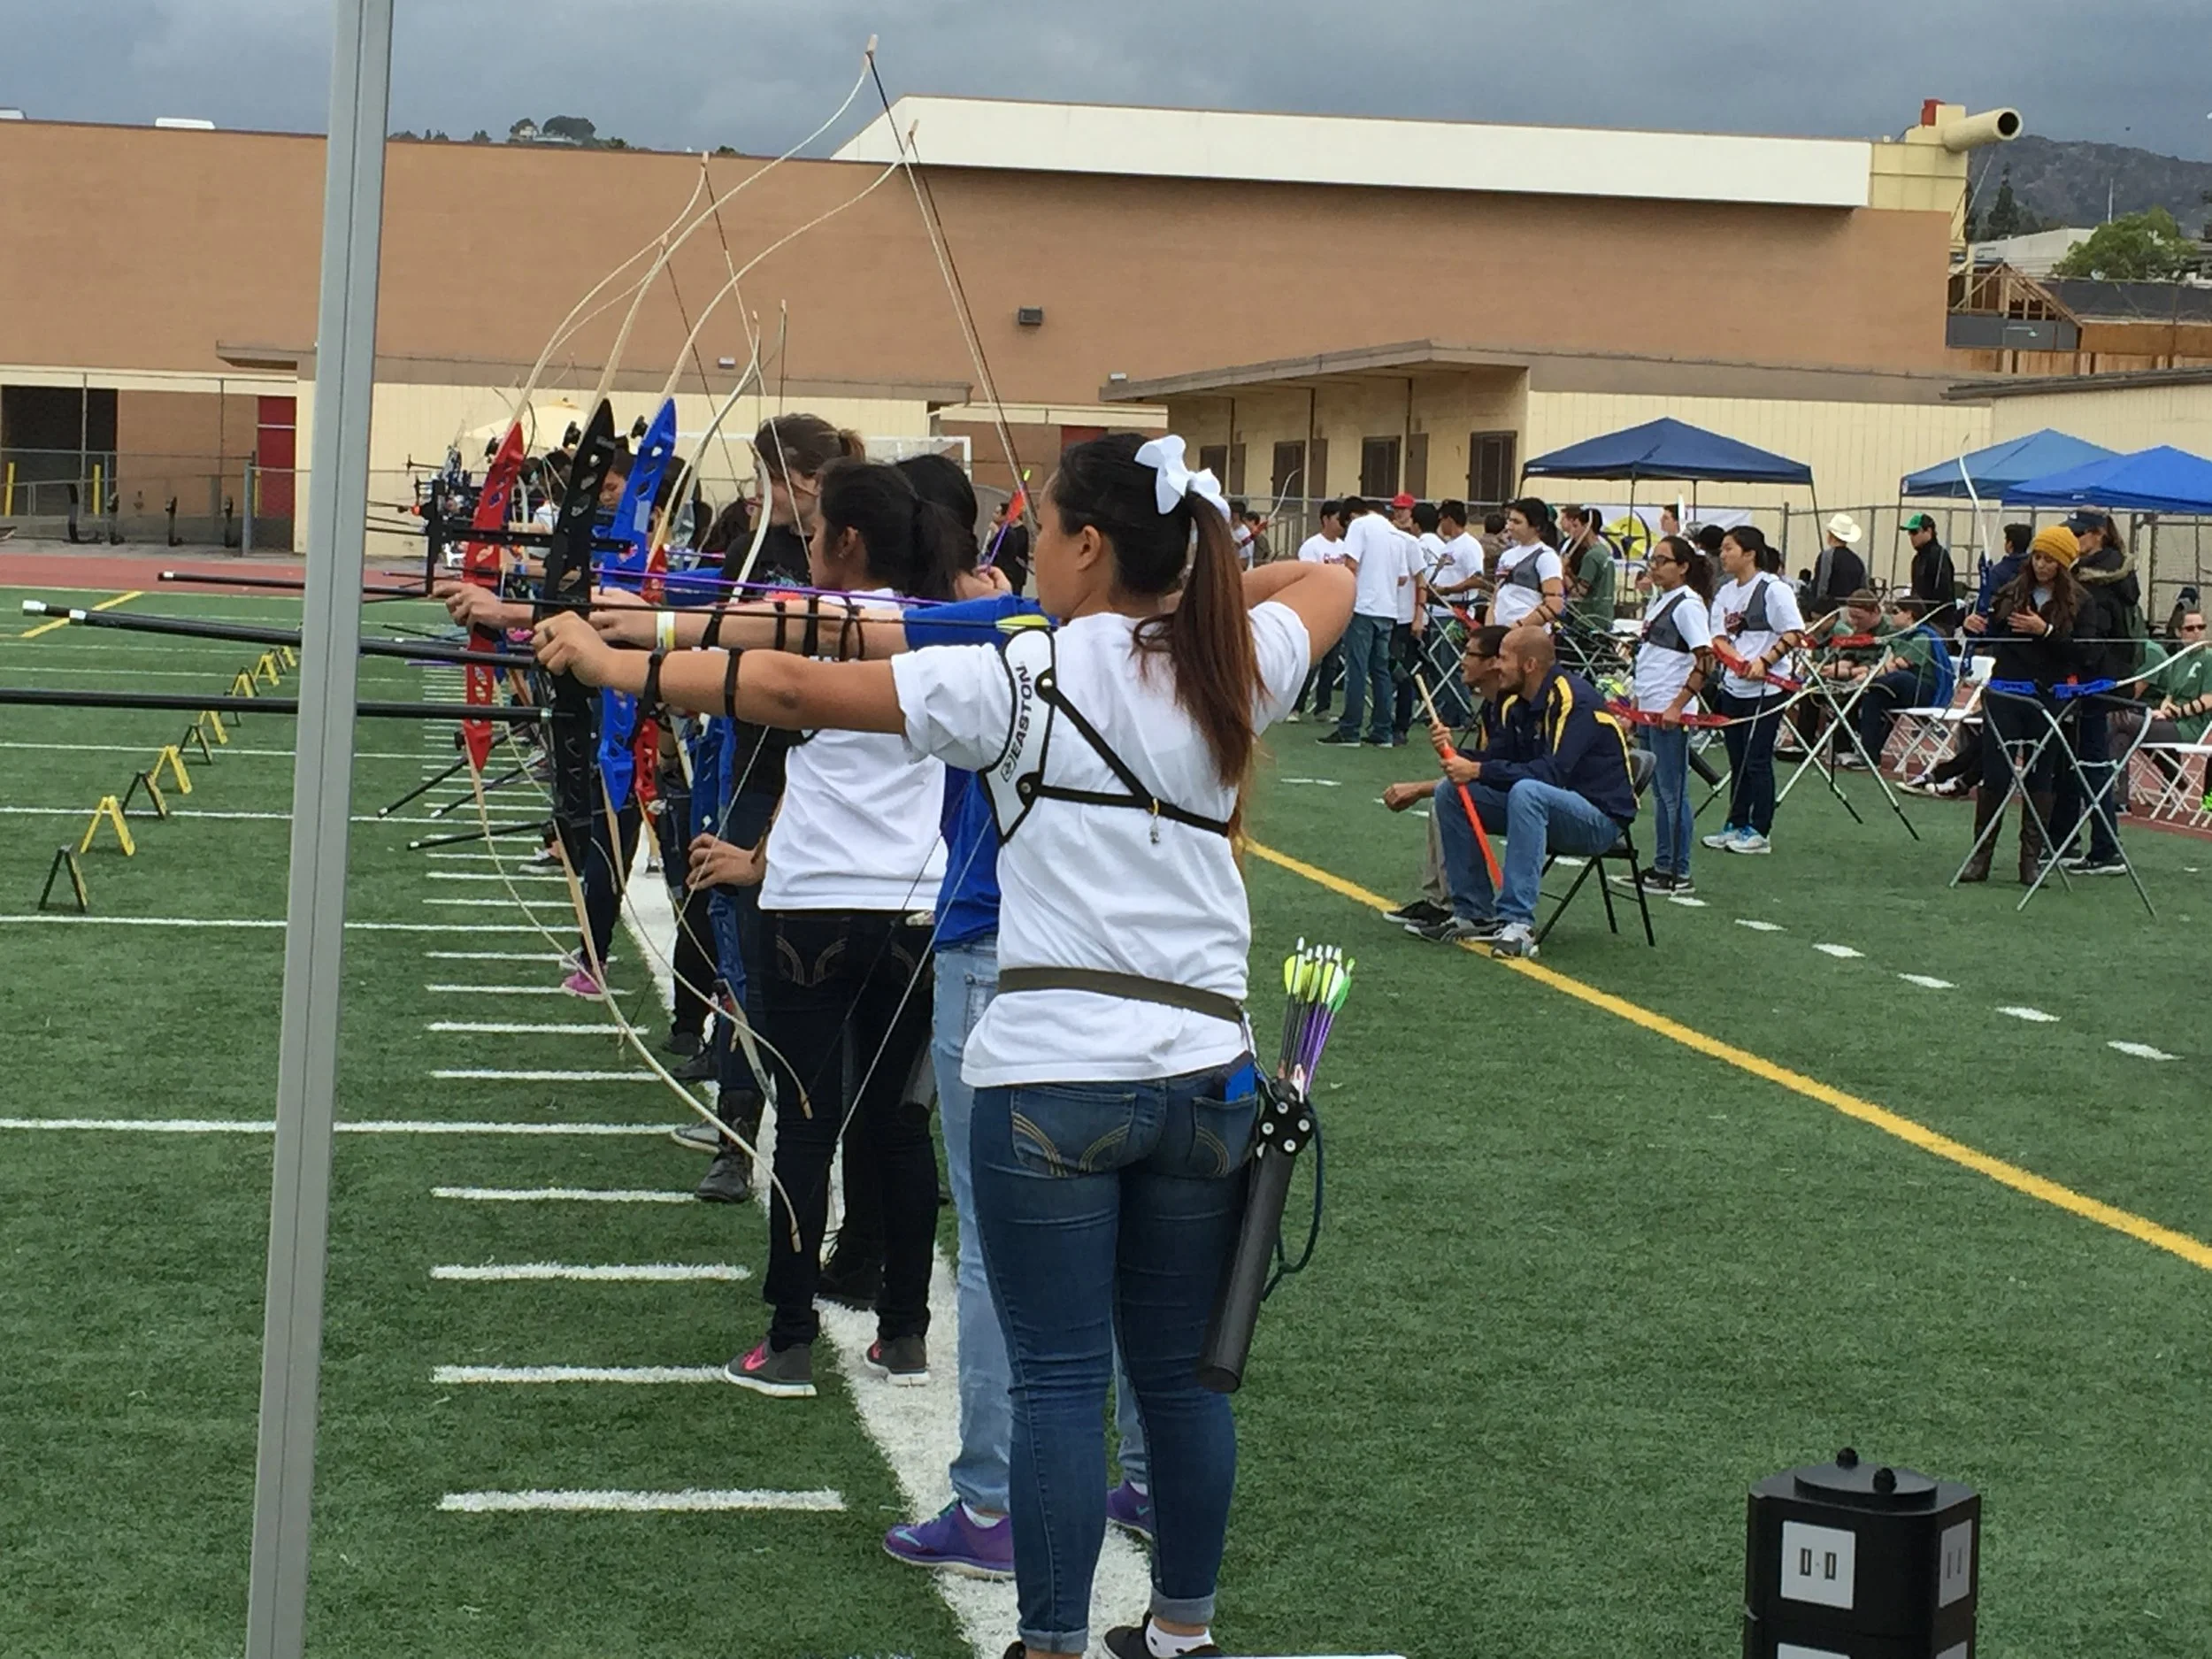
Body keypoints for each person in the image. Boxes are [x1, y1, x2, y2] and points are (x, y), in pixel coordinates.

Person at [535, 431, 1355, 1659]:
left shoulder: (1021, 669)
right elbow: (1328, 581)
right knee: (1180, 1379)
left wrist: (617, 666)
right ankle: (1183, 1632)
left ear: (1085, 545)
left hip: (1050, 1075)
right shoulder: (1230, 665)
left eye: (1043, 538)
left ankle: (1053, 1640)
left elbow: (800, 693)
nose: (1024, 558)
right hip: (1205, 1076)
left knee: (1064, 1382)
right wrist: (1182, 596)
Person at [1417, 626, 1638, 956]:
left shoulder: (1572, 699)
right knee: (1451, 792)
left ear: (1530, 665)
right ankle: (1474, 912)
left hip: (1598, 818)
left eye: (1504, 658)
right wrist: (1456, 755)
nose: (1497, 666)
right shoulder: (1514, 702)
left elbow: (1551, 774)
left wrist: (1477, 770)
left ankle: (1518, 922)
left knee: (1528, 791)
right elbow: (1498, 761)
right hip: (1544, 807)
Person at [1960, 525, 2086, 885]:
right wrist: (1973, 627)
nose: (2042, 565)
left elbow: (2086, 653)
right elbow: (1992, 634)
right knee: (1996, 771)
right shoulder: (2010, 592)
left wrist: (2044, 631)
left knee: (2040, 775)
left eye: (2050, 560)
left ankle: (2030, 861)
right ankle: (1980, 856)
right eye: (2038, 557)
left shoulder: (2080, 602)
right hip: (2005, 691)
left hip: (2048, 695)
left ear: (2064, 565)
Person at [1380, 624, 1510, 927]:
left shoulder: (1512, 707)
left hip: (1533, 799)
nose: (1462, 660)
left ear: (1493, 663)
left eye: (1470, 653)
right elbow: (1489, 763)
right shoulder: (1493, 706)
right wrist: (1450, 751)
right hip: (1513, 788)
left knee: (1448, 797)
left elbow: (1500, 769)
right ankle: (1441, 900)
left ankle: (1467, 905)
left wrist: (1420, 788)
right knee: (1447, 796)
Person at [1619, 534, 1715, 893]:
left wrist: (1677, 704)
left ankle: (1677, 870)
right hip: (1651, 707)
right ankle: (1663, 865)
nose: (1655, 567)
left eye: (1663, 561)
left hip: (1669, 711)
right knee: (1660, 793)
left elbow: (1704, 659)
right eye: (1653, 560)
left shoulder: (1688, 605)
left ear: (1683, 567)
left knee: (1673, 793)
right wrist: (1637, 705)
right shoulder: (1663, 601)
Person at [2051, 509, 2143, 877]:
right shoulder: (2098, 577)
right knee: (2077, 761)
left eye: (2079, 534)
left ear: (2098, 535)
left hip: (2094, 682)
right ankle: (2066, 840)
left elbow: (2092, 642)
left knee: (2091, 763)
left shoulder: (2099, 585)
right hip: (2097, 680)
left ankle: (2106, 848)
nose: (2073, 540)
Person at [1703, 525, 1805, 856]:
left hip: (1768, 689)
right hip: (1734, 686)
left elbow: (1793, 632)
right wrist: (1737, 662)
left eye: (1729, 548)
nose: (1723, 555)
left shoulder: (1774, 589)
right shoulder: (1725, 591)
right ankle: (1734, 823)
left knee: (1758, 758)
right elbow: (1718, 636)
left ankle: (1760, 830)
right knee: (1738, 757)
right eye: (1722, 549)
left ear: (1749, 553)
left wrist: (1765, 660)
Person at [1320, 496, 1412, 747]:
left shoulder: (1360, 527)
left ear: (1352, 516)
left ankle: (1350, 729)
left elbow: (1351, 565)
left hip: (1362, 607)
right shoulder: (1396, 534)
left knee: (1356, 669)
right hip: (1388, 609)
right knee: (1380, 670)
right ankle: (1383, 731)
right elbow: (1403, 578)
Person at [2109, 609, 2212, 809]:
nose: (2196, 632)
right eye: (2190, 628)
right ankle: (2117, 799)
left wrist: (2171, 713)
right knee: (2122, 736)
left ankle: (2092, 779)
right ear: (2178, 633)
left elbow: (2208, 701)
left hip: (2189, 728)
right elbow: (2169, 696)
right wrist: (2164, 711)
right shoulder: (2179, 659)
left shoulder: (2209, 658)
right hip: (2170, 723)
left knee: (2121, 719)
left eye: (2201, 627)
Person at [1288, 500, 1348, 721]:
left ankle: (1323, 708)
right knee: (1311, 661)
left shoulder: (1344, 547)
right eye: (1337, 518)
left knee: (1332, 663)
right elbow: (1306, 576)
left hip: (1339, 610)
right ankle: (1296, 707)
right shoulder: (1312, 546)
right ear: (1325, 519)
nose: (1342, 523)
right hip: (1318, 608)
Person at [1489, 496, 1566, 630]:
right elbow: (1496, 596)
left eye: (1517, 522)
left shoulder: (1546, 557)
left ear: (1536, 526)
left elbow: (1555, 604)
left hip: (1527, 635)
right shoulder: (1507, 555)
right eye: (1509, 520)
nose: (1509, 526)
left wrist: (1518, 626)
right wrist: (1489, 629)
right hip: (1500, 631)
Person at [1561, 504, 1617, 634]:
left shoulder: (1591, 557)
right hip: (1605, 616)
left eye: (1576, 526)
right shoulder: (1604, 551)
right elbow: (1593, 583)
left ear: (1587, 528)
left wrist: (1562, 572)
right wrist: (1570, 573)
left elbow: (1578, 593)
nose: (1572, 531)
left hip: (1589, 620)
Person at [1904, 512, 1958, 631]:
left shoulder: (1939, 556)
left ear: (1928, 531)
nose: (1911, 537)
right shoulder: (1918, 558)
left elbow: (1942, 593)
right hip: (1921, 620)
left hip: (1938, 623)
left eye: (1914, 532)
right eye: (1909, 533)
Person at [1810, 514, 1868, 611]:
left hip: (1831, 609)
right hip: (1851, 609)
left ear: (1831, 535)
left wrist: (1818, 606)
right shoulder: (1857, 560)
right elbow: (1863, 588)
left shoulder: (1827, 557)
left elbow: (1821, 585)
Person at [989, 496, 1033, 593]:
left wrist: (997, 533)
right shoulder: (1007, 530)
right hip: (1002, 571)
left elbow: (1012, 549)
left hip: (1014, 574)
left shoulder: (1021, 531)